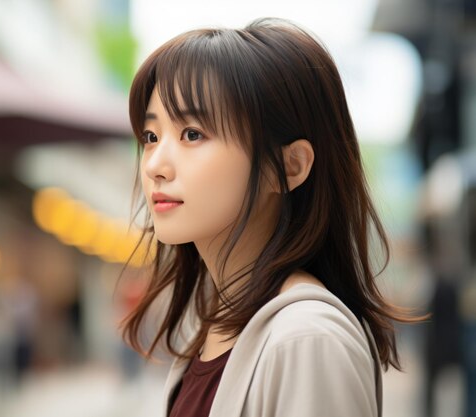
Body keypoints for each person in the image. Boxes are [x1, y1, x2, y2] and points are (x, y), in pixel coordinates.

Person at [119, 17, 420, 417]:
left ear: (289, 166)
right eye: (151, 137)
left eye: (192, 134)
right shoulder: (220, 329)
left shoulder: (307, 340)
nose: (155, 164)